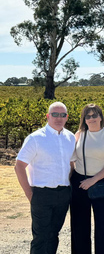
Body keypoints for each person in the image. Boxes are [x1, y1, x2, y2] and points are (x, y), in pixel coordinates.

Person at [14, 102, 75, 254]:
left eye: (62, 115)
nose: (59, 118)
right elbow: (19, 166)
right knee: (41, 237)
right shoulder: (35, 138)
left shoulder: (71, 137)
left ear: (67, 117)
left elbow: (72, 164)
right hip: (41, 194)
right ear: (47, 116)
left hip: (63, 193)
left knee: (54, 235)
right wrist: (30, 195)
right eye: (55, 114)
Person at [70, 104, 104, 254]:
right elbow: (72, 160)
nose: (91, 119)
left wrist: (93, 180)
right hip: (79, 182)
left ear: (100, 117)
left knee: (102, 226)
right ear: (84, 119)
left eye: (94, 115)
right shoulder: (79, 134)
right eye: (88, 116)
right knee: (79, 225)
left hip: (101, 182)